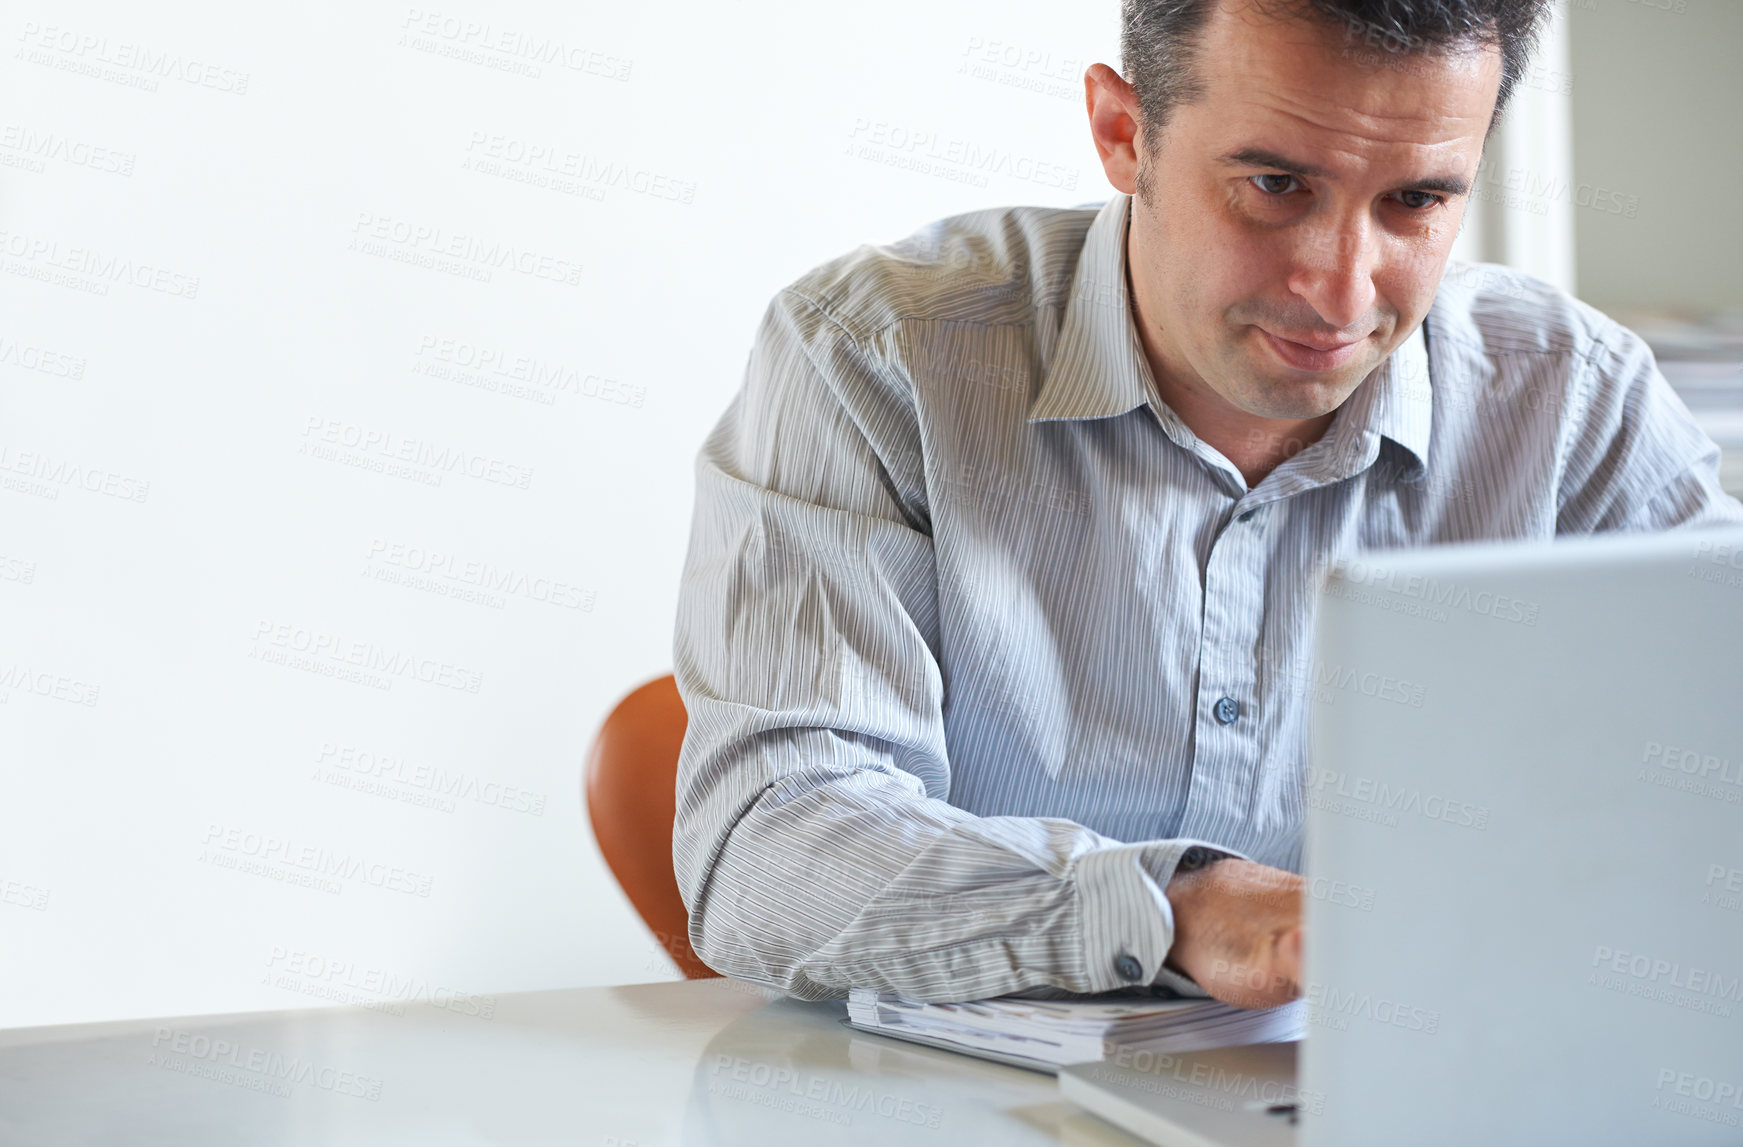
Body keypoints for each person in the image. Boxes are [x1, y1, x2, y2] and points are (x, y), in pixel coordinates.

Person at [668, 0, 1743, 1010]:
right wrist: (1180, 910)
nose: (1342, 289)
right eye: (1276, 186)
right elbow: (766, 850)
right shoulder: (875, 356)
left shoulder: (1572, 396)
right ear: (1122, 130)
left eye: (1415, 201)